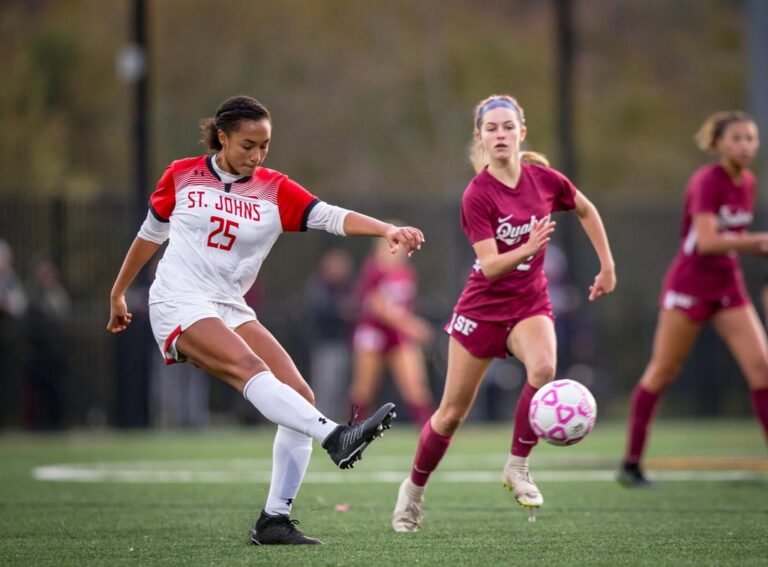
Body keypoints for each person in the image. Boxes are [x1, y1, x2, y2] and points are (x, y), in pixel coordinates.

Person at [107, 95, 424, 545]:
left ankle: (274, 520)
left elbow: (329, 216)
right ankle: (336, 436)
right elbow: (150, 234)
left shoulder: (273, 188)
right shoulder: (182, 174)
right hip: (178, 299)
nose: (256, 156)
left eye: (265, 147)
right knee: (251, 370)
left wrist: (386, 230)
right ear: (222, 136)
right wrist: (119, 292)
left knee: (299, 393)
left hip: (229, 305)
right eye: (247, 145)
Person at [391, 94, 616, 532]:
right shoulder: (477, 194)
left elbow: (586, 209)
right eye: (491, 128)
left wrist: (607, 265)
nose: (500, 134)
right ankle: (413, 492)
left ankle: (517, 465)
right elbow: (491, 266)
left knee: (544, 367)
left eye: (507, 127)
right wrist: (528, 248)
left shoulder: (545, 180)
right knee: (451, 414)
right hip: (481, 310)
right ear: (480, 137)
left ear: (521, 133)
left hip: (529, 304)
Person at [619, 111, 768, 487]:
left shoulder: (747, 182)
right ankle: (631, 462)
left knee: (762, 369)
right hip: (689, 287)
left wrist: (749, 242)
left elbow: (730, 236)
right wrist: (756, 242)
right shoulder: (707, 180)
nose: (745, 145)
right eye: (736, 138)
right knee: (663, 371)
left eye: (750, 138)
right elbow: (706, 242)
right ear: (718, 144)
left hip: (728, 286)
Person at [349, 233, 435, 427]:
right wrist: (411, 325)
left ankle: (429, 434)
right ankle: (352, 432)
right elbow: (379, 308)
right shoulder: (373, 271)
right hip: (373, 333)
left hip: (398, 335)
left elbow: (405, 305)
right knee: (363, 389)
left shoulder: (406, 272)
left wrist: (407, 326)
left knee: (415, 387)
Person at [303, 247, 356, 421]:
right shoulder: (319, 285)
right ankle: (320, 420)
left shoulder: (346, 286)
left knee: (340, 387)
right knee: (326, 386)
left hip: (344, 343)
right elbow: (320, 309)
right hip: (325, 344)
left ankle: (336, 421)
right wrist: (341, 310)